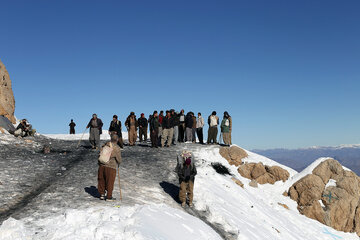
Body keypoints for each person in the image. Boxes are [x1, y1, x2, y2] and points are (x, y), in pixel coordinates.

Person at [97, 134, 122, 201]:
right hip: (111, 167)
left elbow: (99, 154)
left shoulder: (104, 145)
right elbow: (119, 159)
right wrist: (119, 162)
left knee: (101, 180)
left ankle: (102, 194)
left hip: (101, 165)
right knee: (110, 181)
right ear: (117, 140)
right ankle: (109, 196)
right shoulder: (116, 148)